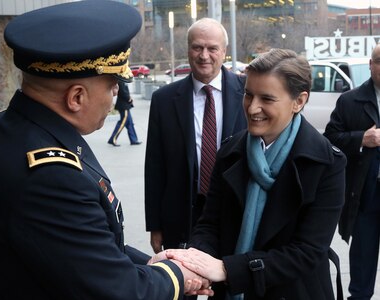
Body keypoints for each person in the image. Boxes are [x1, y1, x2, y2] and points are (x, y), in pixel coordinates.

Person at [0, 1, 213, 299]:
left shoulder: (6, 129)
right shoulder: (52, 176)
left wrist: (150, 264)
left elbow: (83, 249)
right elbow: (119, 291)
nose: (115, 94)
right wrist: (178, 276)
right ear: (76, 98)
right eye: (112, 84)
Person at [165, 49, 347, 299]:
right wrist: (195, 262)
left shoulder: (326, 163)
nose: (252, 108)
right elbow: (210, 224)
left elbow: (307, 252)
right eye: (248, 95)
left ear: (299, 101)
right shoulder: (230, 152)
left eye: (267, 99)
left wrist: (228, 269)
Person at [144, 17, 247, 254]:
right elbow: (155, 167)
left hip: (233, 215)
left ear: (224, 52)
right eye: (197, 47)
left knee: (225, 287)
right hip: (180, 217)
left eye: (212, 48)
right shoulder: (164, 100)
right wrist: (156, 225)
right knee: (182, 287)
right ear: (188, 49)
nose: (204, 55)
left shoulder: (248, 93)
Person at [324, 43, 380, 300]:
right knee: (362, 269)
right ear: (371, 65)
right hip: (366, 195)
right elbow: (331, 139)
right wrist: (361, 139)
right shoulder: (350, 101)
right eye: (379, 61)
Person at [108, 80, 142, 146]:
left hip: (125, 105)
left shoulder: (123, 80)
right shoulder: (120, 80)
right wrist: (129, 98)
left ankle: (133, 140)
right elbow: (122, 92)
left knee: (130, 123)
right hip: (123, 106)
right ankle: (112, 139)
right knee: (122, 123)